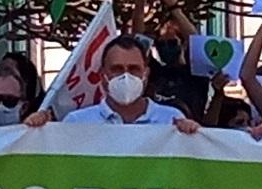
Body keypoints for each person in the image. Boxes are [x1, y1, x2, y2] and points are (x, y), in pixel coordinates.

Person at [53, 33, 200, 131]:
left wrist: (194, 136)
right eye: (116, 69)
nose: (126, 75)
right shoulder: (77, 123)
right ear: (102, 75)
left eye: (134, 69)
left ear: (146, 74)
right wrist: (34, 129)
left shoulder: (171, 120)